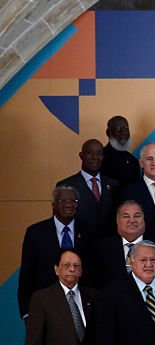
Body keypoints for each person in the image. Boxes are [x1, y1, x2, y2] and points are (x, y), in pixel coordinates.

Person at [18, 185, 90, 320]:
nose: (69, 205)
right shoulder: (35, 233)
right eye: (63, 201)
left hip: (81, 307)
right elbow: (27, 275)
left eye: (73, 201)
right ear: (53, 205)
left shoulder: (89, 232)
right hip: (45, 308)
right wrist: (27, 313)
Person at [56, 138, 119, 237]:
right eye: (90, 153)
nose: (95, 157)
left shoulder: (114, 185)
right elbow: (61, 223)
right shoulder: (66, 186)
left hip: (108, 246)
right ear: (81, 155)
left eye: (99, 153)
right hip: (79, 246)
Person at [118, 142, 155, 240]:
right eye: (149, 159)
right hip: (144, 250)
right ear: (141, 163)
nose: (154, 163)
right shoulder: (128, 192)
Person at [101, 115, 140, 184]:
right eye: (118, 129)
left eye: (126, 129)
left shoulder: (133, 160)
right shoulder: (100, 157)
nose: (123, 132)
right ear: (108, 132)